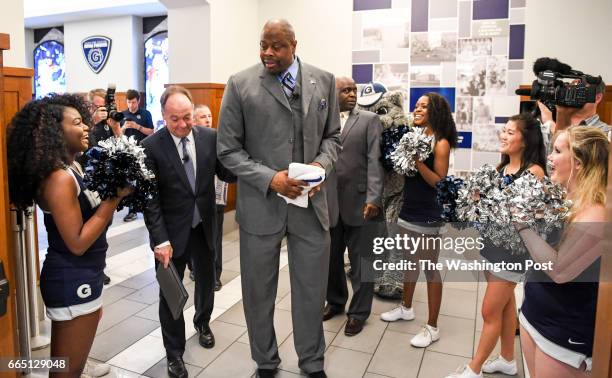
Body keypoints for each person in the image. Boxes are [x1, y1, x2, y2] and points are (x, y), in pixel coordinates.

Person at [217, 19, 340, 378]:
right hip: (261, 207)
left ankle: (312, 364)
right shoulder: (240, 85)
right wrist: (271, 179)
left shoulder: (325, 81)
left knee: (311, 293)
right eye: (263, 45)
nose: (267, 53)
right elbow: (228, 151)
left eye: (277, 46)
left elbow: (333, 137)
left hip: (311, 207)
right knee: (258, 294)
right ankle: (266, 363)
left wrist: (320, 166)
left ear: (294, 45)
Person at [7, 93, 131, 377]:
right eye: (77, 122)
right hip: (72, 275)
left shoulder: (72, 167)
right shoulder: (59, 178)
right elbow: (76, 242)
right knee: (65, 371)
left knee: (73, 357)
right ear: (55, 132)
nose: (86, 127)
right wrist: (114, 200)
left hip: (85, 272)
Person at [142, 86, 235, 378]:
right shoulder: (151, 147)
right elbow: (150, 200)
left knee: (207, 281)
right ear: (163, 116)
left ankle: (203, 321)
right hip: (169, 234)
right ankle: (174, 354)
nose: (182, 125)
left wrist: (244, 157)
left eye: (187, 118)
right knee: (171, 294)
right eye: (174, 119)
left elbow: (227, 172)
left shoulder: (210, 137)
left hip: (204, 226)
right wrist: (160, 240)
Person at [446, 113, 547, 378]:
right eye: (504, 130)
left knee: (489, 310)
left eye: (511, 132)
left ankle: (474, 369)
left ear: (526, 140)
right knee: (504, 306)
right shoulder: (502, 168)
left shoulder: (534, 172)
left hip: (512, 254)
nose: (504, 135)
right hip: (492, 248)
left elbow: (526, 218)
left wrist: (495, 204)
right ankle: (507, 359)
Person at [517, 126, 607, 377]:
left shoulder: (595, 213)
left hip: (563, 333)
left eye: (557, 151)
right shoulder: (563, 199)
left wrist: (522, 226)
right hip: (534, 313)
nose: (549, 158)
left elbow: (560, 270)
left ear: (578, 162)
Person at [380, 93, 458, 348]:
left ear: (435, 111)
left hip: (428, 214)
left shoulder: (441, 143)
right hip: (409, 208)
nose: (417, 109)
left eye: (423, 106)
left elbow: (439, 182)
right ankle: (406, 307)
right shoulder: (416, 137)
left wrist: (416, 161)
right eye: (416, 105)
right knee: (410, 262)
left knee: (429, 267)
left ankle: (433, 327)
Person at [322, 76, 385, 336]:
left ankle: (358, 313)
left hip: (360, 203)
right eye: (345, 90)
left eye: (353, 89)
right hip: (329, 204)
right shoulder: (324, 121)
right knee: (331, 260)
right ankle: (336, 301)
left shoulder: (369, 121)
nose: (351, 94)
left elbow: (375, 161)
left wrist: (373, 198)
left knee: (361, 263)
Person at [194, 104, 227, 290]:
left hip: (216, 195)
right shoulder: (191, 138)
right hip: (195, 198)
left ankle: (215, 274)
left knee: (215, 236)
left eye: (209, 115)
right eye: (202, 117)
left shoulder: (217, 138)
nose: (208, 119)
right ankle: (195, 267)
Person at [120, 89, 155, 222]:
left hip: (144, 151)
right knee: (130, 181)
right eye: (129, 102)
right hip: (128, 151)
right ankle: (132, 210)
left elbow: (151, 132)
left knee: (144, 180)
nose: (131, 105)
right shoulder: (122, 114)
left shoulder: (145, 114)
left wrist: (137, 126)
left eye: (133, 102)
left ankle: (147, 208)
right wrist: (124, 128)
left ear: (138, 101)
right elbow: (118, 135)